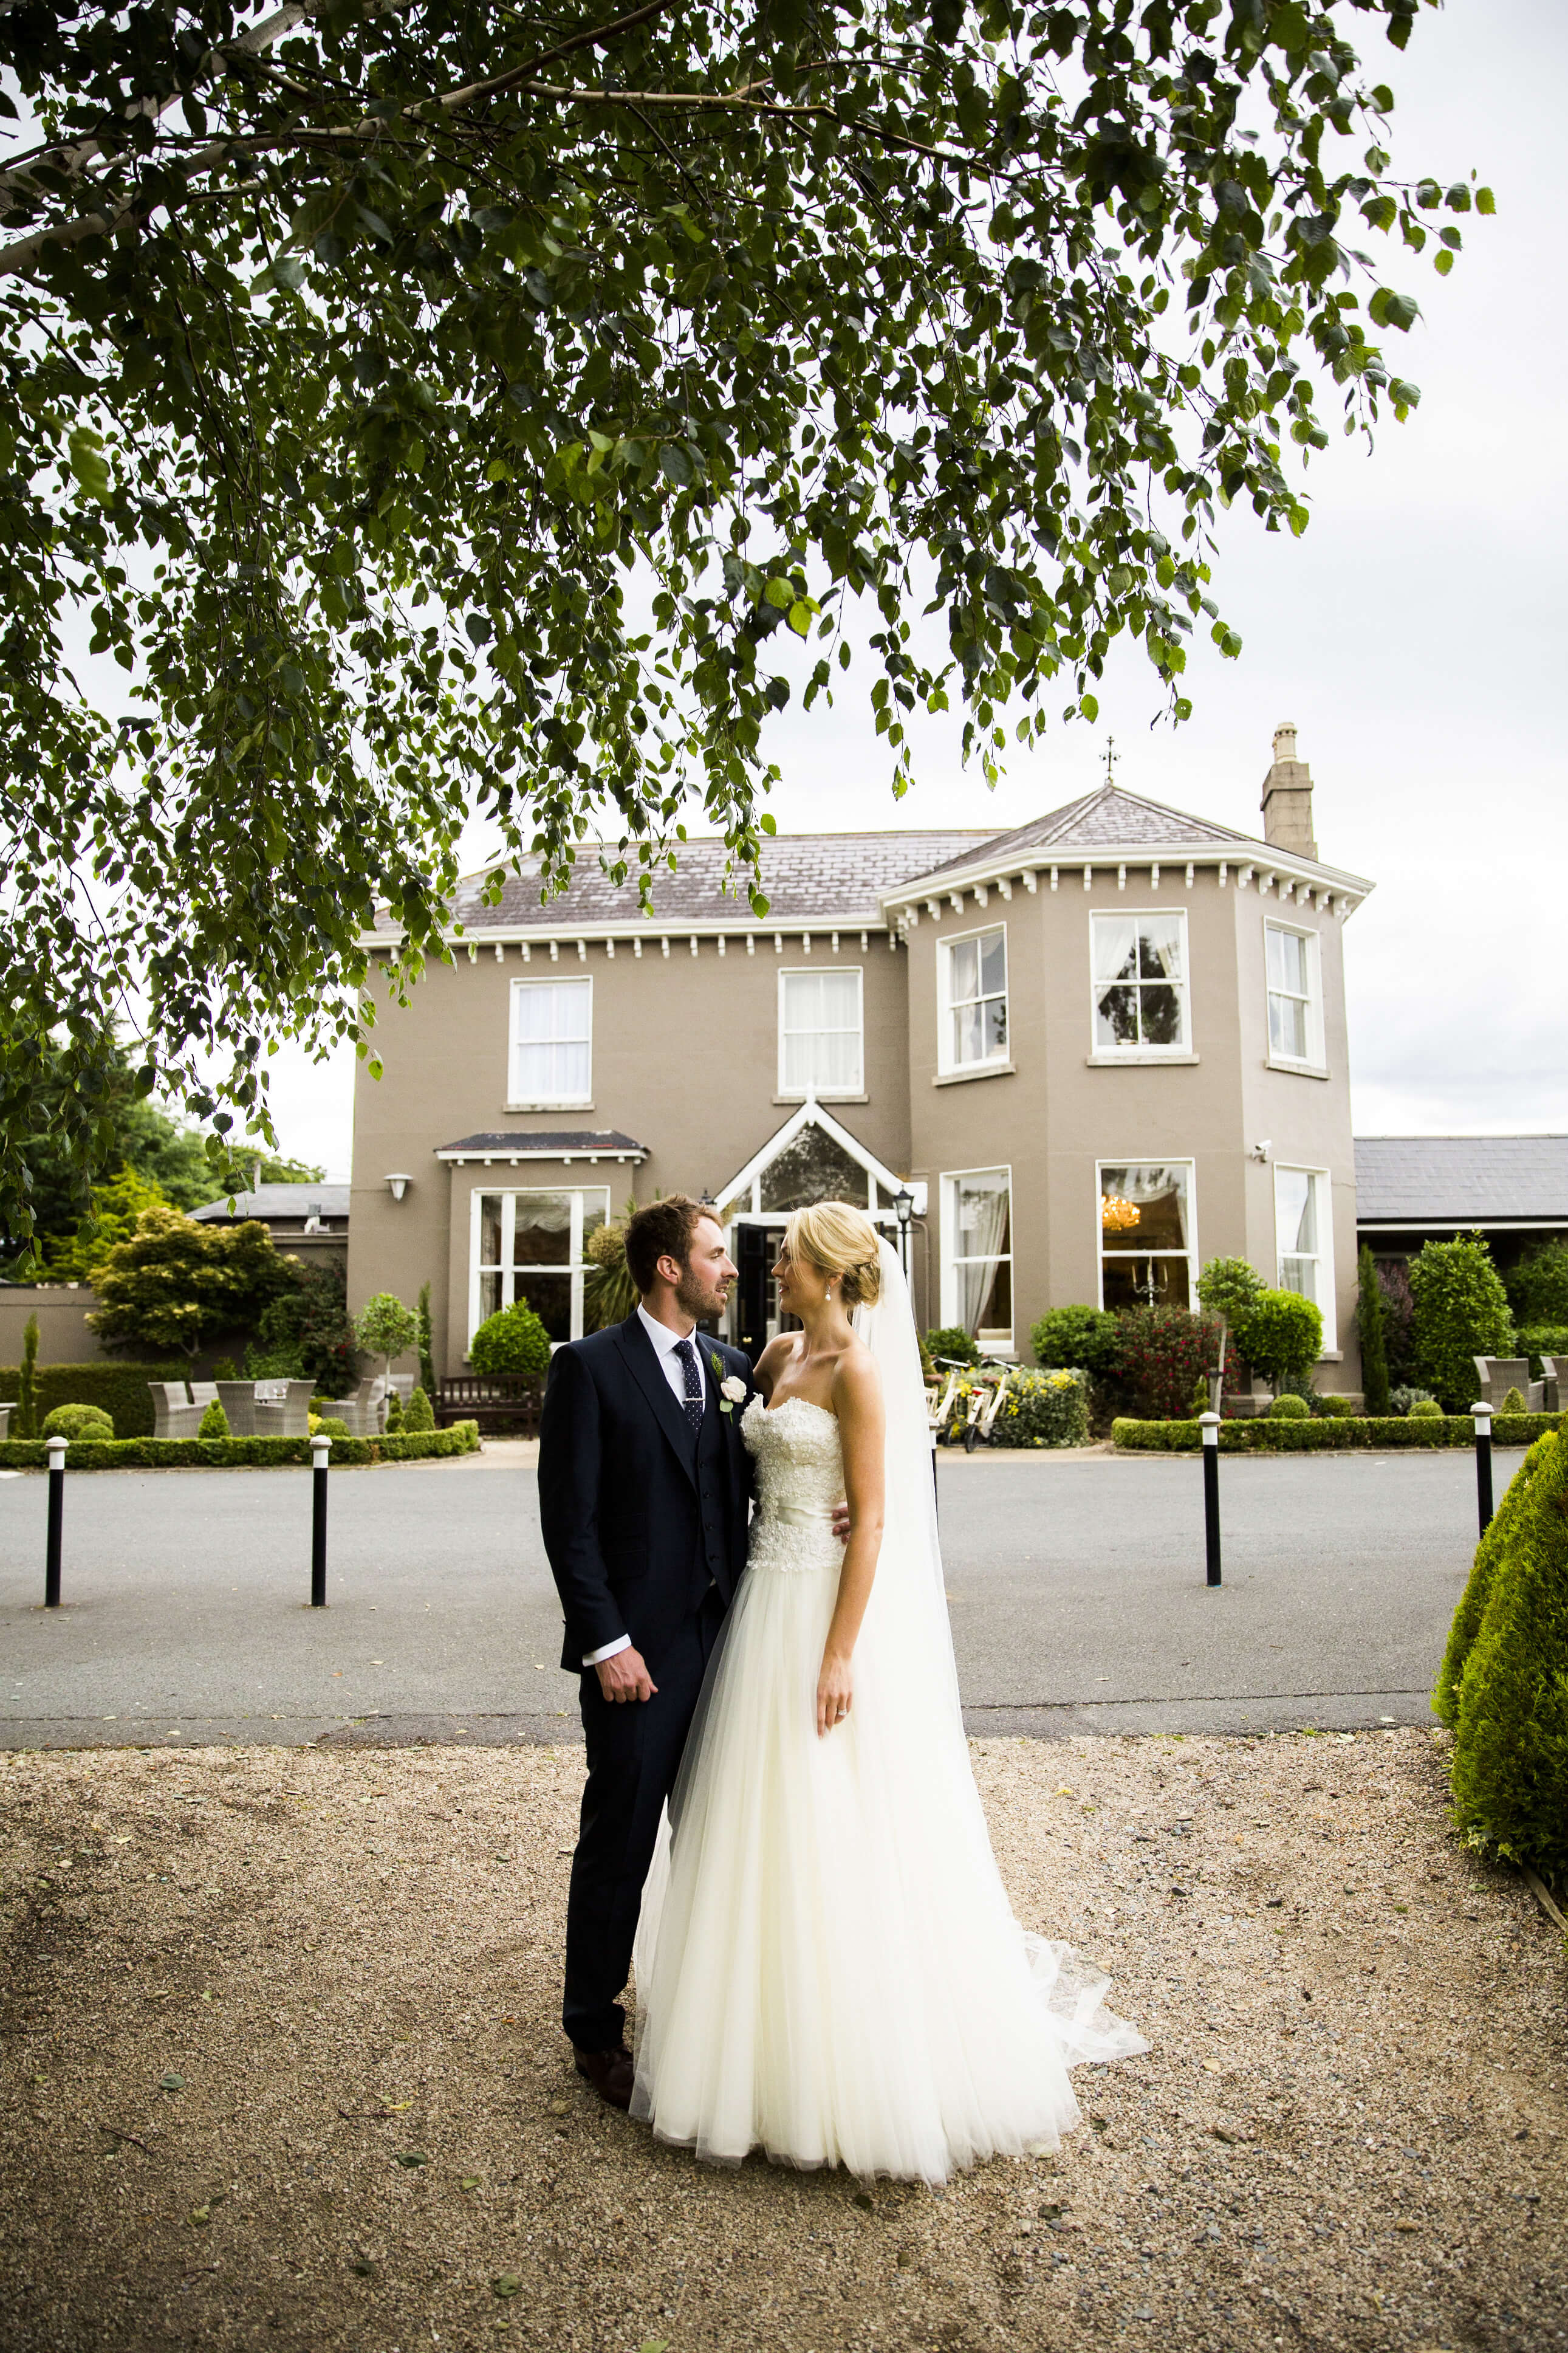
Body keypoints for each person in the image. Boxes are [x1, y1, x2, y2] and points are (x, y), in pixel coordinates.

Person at [629, 1200, 1147, 2182]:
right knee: (755, 1817)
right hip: (757, 1609)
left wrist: (839, 1654)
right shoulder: (774, 1359)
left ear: (828, 1274)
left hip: (820, 1611)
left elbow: (870, 1522)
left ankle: (844, 2067)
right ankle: (753, 2040)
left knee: (836, 1818)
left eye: (783, 1261)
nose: (767, 1271)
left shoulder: (860, 1374)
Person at [539, 1197, 849, 2106]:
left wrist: (845, 1507)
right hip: (636, 1659)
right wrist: (607, 1645)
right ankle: (592, 2029)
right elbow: (571, 1527)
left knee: (723, 1843)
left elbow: (786, 1468)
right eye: (716, 1255)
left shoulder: (730, 1367)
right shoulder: (589, 1370)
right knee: (620, 1843)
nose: (731, 1270)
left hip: (736, 1648)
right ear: (668, 1267)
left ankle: (710, 2023)